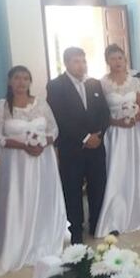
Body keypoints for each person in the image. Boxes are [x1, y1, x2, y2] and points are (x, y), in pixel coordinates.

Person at [0, 66, 67, 276]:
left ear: (30, 82)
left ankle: (44, 241)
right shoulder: (1, 106)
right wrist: (23, 145)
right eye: (17, 78)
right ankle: (16, 245)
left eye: (25, 78)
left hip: (42, 160)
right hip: (16, 163)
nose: (21, 82)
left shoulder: (41, 104)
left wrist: (43, 143)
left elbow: (54, 129)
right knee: (19, 199)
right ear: (9, 81)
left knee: (42, 198)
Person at [95, 45, 140, 237]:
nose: (117, 62)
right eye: (113, 58)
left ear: (125, 60)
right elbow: (100, 112)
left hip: (134, 132)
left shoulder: (135, 83)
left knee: (136, 167)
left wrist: (134, 118)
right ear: (107, 61)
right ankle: (116, 212)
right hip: (115, 133)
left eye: (120, 58)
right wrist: (116, 121)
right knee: (116, 169)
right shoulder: (102, 84)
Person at [46, 47, 110, 244]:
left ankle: (97, 223)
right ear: (66, 63)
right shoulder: (56, 86)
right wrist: (84, 137)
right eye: (76, 61)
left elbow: (104, 112)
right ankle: (75, 229)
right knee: (72, 188)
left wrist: (98, 134)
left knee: (98, 184)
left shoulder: (94, 83)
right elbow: (59, 116)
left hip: (96, 145)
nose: (81, 65)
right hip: (72, 147)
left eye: (83, 61)